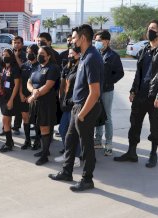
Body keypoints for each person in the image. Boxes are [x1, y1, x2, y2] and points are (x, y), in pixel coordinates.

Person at [48, 24, 103, 192]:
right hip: (77, 106)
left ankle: (87, 179)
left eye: (74, 37)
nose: (72, 40)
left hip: (86, 108)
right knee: (70, 141)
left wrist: (82, 114)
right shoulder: (85, 56)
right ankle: (67, 172)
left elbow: (95, 92)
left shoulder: (92, 57)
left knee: (86, 146)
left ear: (83, 38)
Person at [114, 19, 158, 168]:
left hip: (155, 97)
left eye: (153, 28)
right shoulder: (144, 50)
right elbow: (138, 74)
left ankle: (153, 154)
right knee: (134, 124)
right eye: (149, 28)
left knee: (155, 126)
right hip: (140, 95)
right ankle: (131, 152)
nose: (150, 31)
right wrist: (133, 90)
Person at [27, 46, 60, 165]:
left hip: (47, 102)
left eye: (42, 54)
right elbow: (29, 82)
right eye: (38, 54)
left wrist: (34, 95)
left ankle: (45, 155)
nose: (39, 56)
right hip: (36, 101)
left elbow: (47, 86)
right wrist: (33, 91)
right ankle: (44, 150)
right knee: (39, 126)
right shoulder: (36, 67)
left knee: (45, 128)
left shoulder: (53, 68)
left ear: (49, 56)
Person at [93, 30, 124, 156]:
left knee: (106, 117)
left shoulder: (113, 56)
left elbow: (120, 73)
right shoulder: (95, 54)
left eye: (99, 40)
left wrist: (108, 82)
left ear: (107, 41)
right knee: (97, 115)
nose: (97, 42)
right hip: (95, 90)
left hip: (106, 91)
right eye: (96, 40)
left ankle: (109, 143)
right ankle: (98, 139)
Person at [54, 48, 82, 168]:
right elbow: (62, 84)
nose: (70, 55)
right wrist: (61, 99)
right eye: (69, 53)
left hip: (75, 103)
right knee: (63, 129)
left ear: (79, 54)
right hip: (66, 103)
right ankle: (68, 152)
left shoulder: (81, 67)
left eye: (73, 53)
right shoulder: (67, 67)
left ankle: (76, 157)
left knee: (74, 131)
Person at [0, 49, 21, 152]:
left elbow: (17, 85)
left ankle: (9, 143)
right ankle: (9, 141)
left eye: (6, 55)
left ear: (11, 56)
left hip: (12, 97)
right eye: (3, 55)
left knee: (5, 120)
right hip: (4, 97)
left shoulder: (15, 69)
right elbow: (2, 84)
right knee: (6, 120)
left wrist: (11, 100)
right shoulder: (4, 68)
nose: (4, 56)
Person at [20, 44, 40, 150]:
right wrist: (21, 94)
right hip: (23, 96)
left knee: (36, 119)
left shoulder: (39, 66)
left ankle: (37, 140)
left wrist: (32, 95)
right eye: (27, 52)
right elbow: (19, 82)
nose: (28, 54)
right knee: (25, 118)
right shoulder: (24, 65)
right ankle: (27, 140)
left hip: (34, 96)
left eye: (31, 52)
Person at [11, 36, 27, 135]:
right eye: (14, 42)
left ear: (22, 44)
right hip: (10, 83)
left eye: (18, 42)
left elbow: (23, 67)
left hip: (21, 83)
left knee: (20, 107)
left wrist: (16, 57)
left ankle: (16, 126)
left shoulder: (25, 55)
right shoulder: (8, 53)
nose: (16, 44)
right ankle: (6, 127)